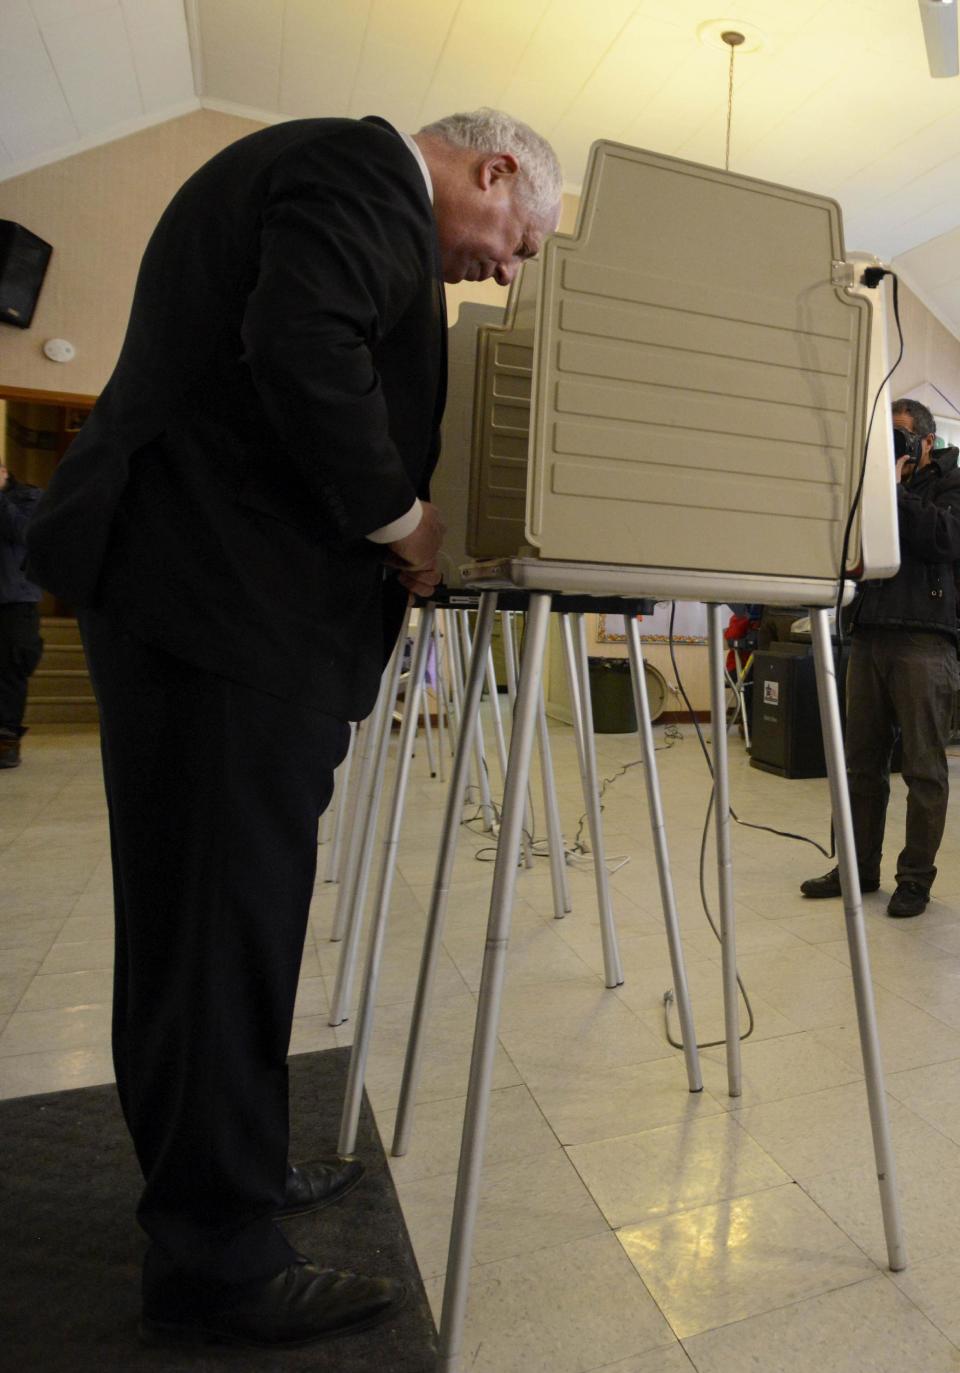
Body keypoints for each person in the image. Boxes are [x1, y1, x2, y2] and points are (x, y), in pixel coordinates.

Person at [26, 109, 562, 1348]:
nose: (506, 267)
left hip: (214, 613)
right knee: (222, 929)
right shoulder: (354, 170)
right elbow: (305, 347)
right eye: (518, 238)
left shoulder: (335, 182)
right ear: (491, 171)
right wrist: (403, 521)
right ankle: (218, 1262)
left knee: (212, 925)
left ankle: (225, 1178)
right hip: (223, 613)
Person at [801, 398, 960, 918]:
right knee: (859, 766)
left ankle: (914, 879)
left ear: (927, 443)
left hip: (925, 639)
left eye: (900, 436)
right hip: (868, 633)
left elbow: (943, 538)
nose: (892, 446)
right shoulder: (873, 487)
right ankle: (856, 867)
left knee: (923, 770)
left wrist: (893, 490)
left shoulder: (951, 483)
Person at [0, 463, 43, 768]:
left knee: (11, 667)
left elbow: (24, 532)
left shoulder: (28, 497)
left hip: (14, 600)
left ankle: (6, 739)